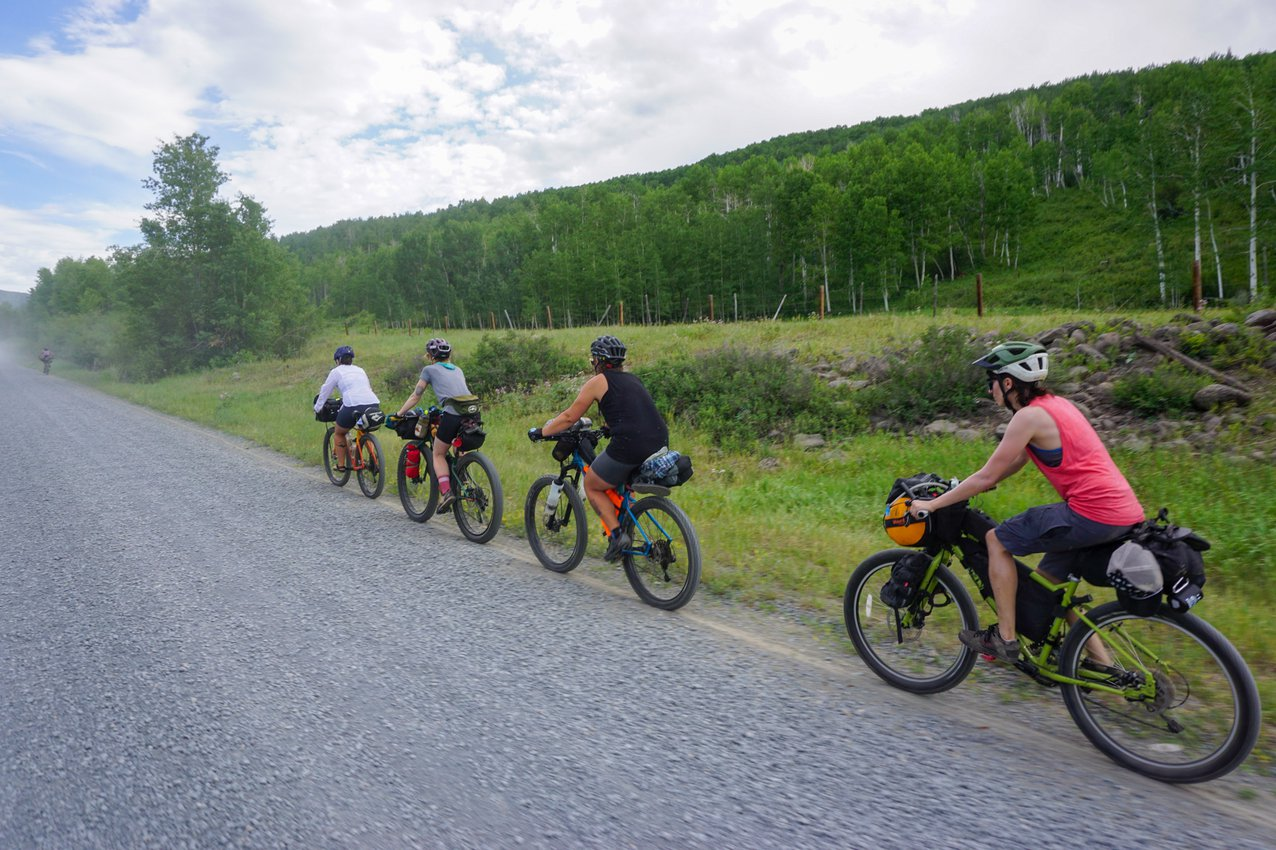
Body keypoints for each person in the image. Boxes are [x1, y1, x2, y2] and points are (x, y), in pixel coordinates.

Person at [908, 341, 1145, 663]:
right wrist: (980, 483)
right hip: (1123, 512)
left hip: (1091, 512)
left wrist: (932, 505)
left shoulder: (1028, 417)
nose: (989, 389)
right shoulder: (1057, 405)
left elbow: (987, 476)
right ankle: (1103, 665)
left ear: (1008, 383)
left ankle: (1004, 639)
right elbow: (1019, 459)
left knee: (997, 540)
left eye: (990, 380)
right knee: (1051, 585)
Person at [531, 335, 669, 562]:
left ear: (599, 360)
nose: (592, 363)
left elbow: (569, 417)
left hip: (630, 444)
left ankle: (617, 536)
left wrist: (541, 431)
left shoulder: (597, 382)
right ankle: (627, 523)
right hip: (659, 441)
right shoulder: (633, 379)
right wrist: (608, 427)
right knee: (618, 480)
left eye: (593, 358)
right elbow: (631, 411)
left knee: (593, 484)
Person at [394, 338, 472, 512]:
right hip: (472, 413)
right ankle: (466, 483)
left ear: (430, 356)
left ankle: (446, 493)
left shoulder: (429, 369)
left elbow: (416, 395)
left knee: (438, 454)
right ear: (449, 354)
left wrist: (399, 414)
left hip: (452, 414)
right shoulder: (458, 369)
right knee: (458, 448)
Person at [314, 345, 381, 472]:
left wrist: (318, 408)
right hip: (373, 403)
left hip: (352, 404)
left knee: (340, 432)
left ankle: (341, 465)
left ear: (337, 360)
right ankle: (375, 461)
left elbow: (325, 391)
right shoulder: (360, 370)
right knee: (364, 429)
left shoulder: (336, 372)